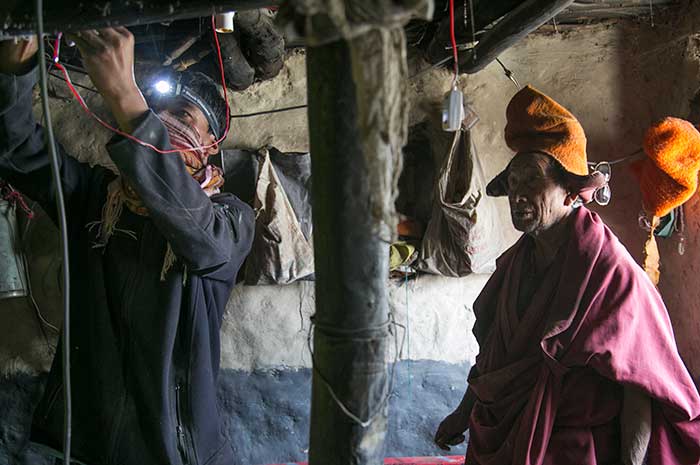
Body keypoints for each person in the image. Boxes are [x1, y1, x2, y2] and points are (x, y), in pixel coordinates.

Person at [0, 28, 254, 465]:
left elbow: (199, 236)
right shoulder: (95, 198)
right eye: (162, 112)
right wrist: (14, 71)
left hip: (173, 452)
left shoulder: (230, 219)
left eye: (186, 116)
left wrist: (127, 99)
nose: (169, 121)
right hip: (81, 444)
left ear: (210, 150)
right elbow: (16, 146)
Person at [434, 85, 700, 464]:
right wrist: (462, 415)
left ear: (571, 193)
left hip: (577, 450)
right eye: (512, 183)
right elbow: (493, 360)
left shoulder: (612, 274)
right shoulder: (514, 265)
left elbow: (638, 388)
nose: (517, 195)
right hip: (503, 437)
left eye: (532, 181)